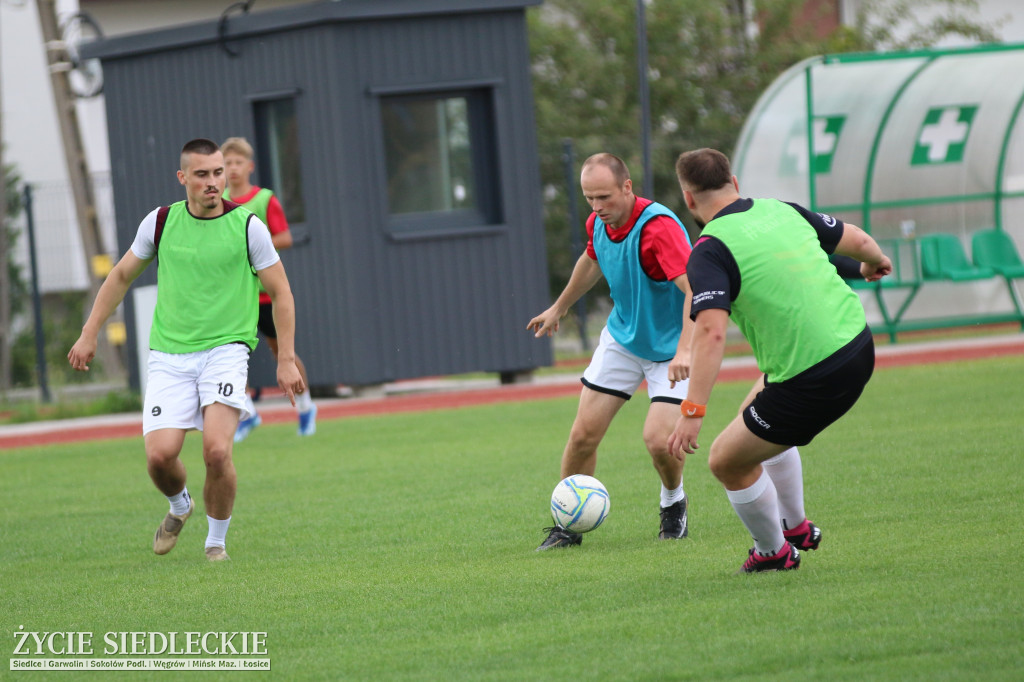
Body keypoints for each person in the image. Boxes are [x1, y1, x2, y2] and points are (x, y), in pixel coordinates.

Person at [68, 138, 305, 562]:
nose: (214, 182)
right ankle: (180, 505)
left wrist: (285, 359)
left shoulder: (248, 226)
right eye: (202, 174)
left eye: (218, 173)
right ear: (183, 178)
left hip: (226, 351)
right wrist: (90, 332)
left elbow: (281, 292)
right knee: (160, 458)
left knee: (216, 450)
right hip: (169, 356)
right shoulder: (160, 223)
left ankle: (216, 544)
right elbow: (120, 276)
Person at [668, 148, 892, 573]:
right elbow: (860, 241)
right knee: (750, 416)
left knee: (726, 460)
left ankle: (773, 554)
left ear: (689, 200)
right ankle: (796, 527)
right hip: (859, 346)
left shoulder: (709, 251)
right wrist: (872, 263)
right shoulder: (780, 209)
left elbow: (712, 333)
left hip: (815, 377)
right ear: (734, 183)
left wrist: (692, 410)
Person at [528, 153, 695, 550]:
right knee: (582, 436)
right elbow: (592, 259)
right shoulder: (598, 222)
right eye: (589, 199)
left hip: (672, 349)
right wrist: (560, 306)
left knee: (658, 440)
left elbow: (696, 292)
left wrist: (685, 351)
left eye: (604, 196)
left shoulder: (659, 229)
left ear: (627, 187)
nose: (597, 207)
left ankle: (673, 501)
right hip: (622, 340)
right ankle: (566, 526)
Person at [221, 136, 317, 442]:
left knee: (281, 353)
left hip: (264, 294)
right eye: (227, 163)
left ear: (249, 167)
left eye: (238, 162)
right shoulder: (217, 201)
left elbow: (285, 237)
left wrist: (252, 246)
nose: (232, 168)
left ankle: (305, 406)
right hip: (234, 295)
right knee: (226, 354)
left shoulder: (263, 200)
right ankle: (248, 411)